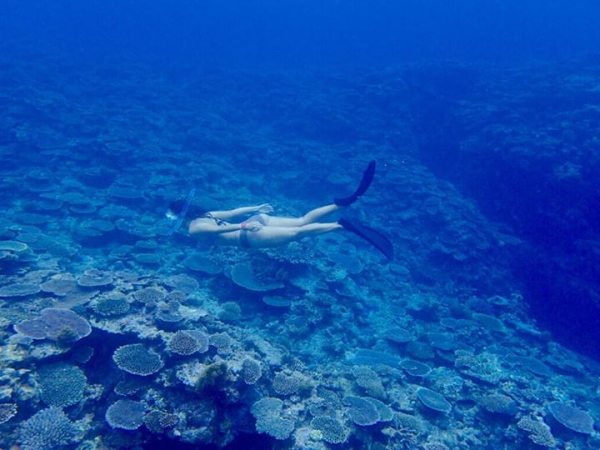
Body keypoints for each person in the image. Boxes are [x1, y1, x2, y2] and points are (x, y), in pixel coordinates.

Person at [167, 161, 393, 259]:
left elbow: (218, 232)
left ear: (180, 216)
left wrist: (245, 225)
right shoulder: (206, 215)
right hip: (256, 220)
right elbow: (234, 211)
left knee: (298, 233)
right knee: (301, 220)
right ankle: (342, 203)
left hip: (250, 235)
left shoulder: (194, 229)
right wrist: (256, 208)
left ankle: (340, 225)